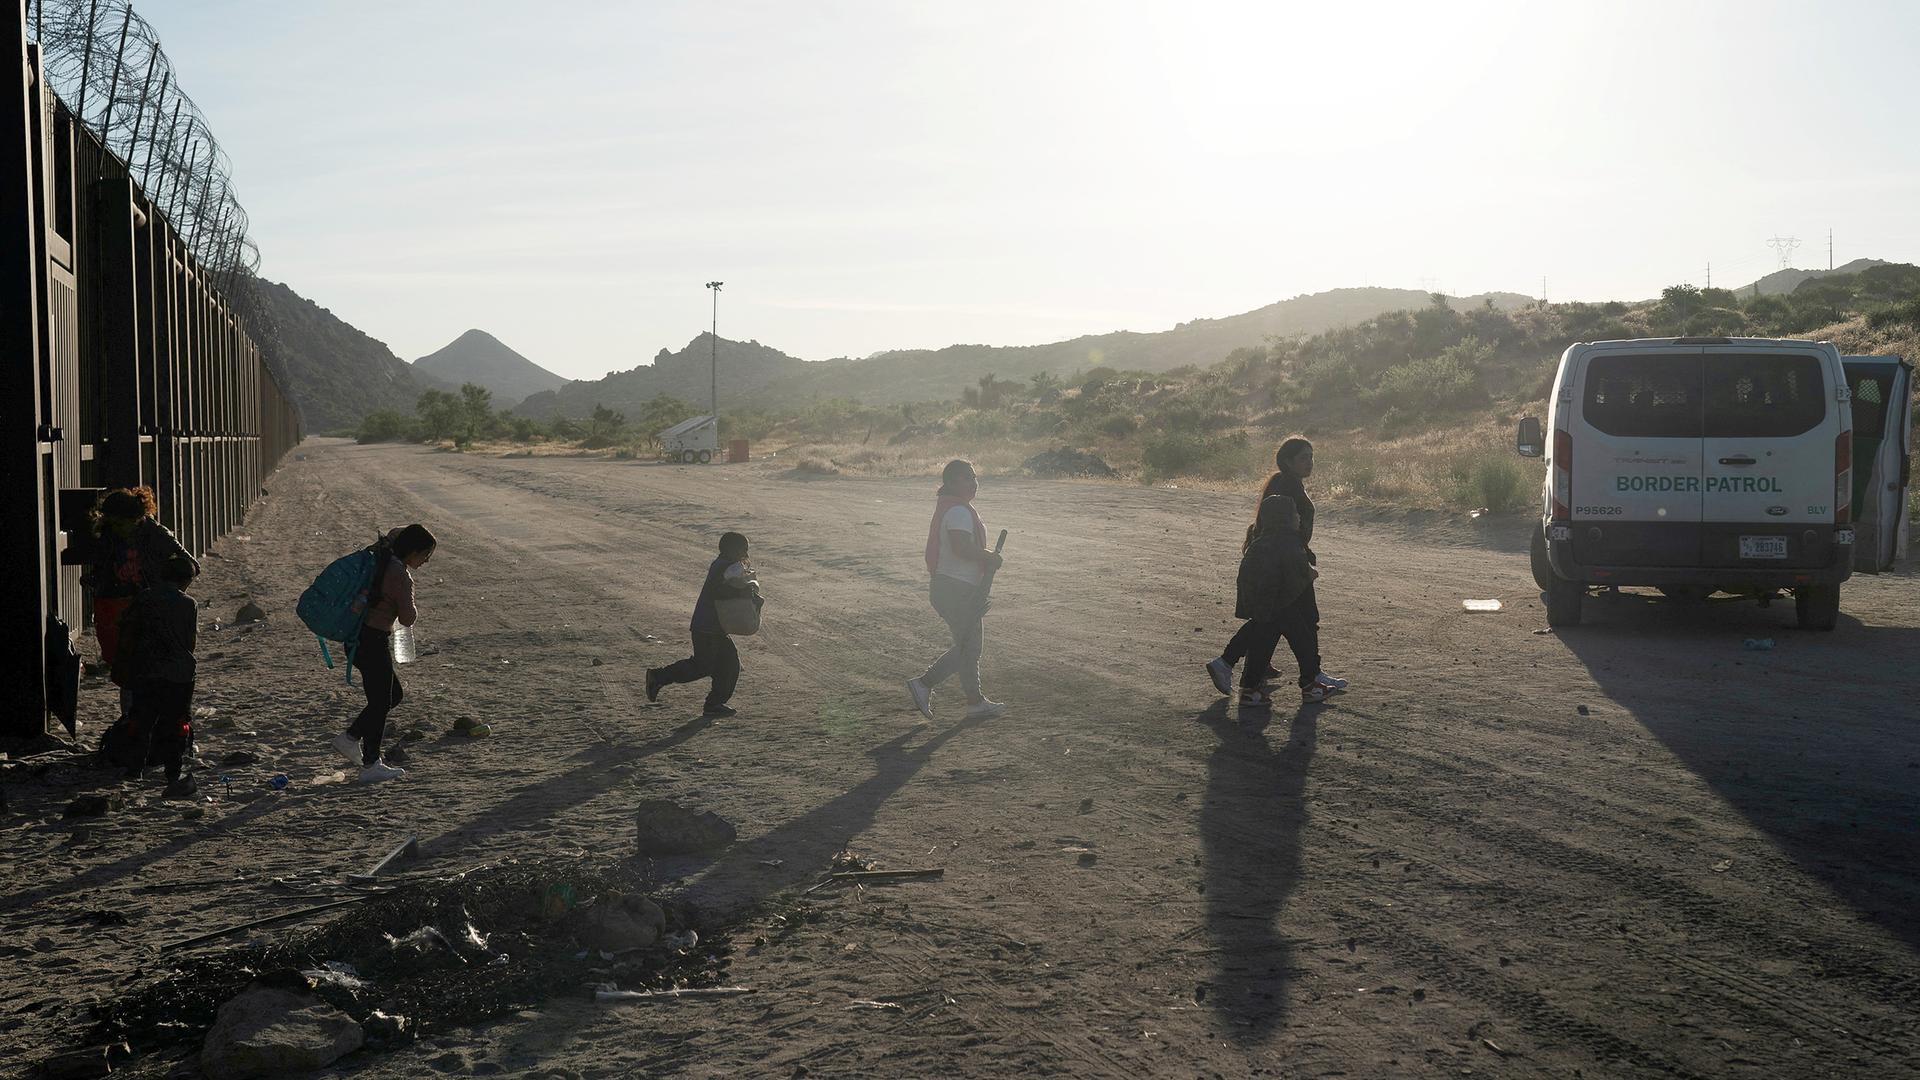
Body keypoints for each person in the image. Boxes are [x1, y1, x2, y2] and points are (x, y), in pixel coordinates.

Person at [1206, 437, 1347, 698]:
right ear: (1288, 462)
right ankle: (1306, 678)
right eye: (1304, 457)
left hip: (1286, 559)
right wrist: (1301, 566)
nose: (1310, 462)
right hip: (1285, 563)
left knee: (1277, 620)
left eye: (1311, 456)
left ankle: (1256, 675)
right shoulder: (1286, 486)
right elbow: (1279, 525)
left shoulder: (1288, 484)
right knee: (1284, 620)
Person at [331, 524, 435, 782]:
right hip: (373, 641)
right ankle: (369, 763)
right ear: (412, 552)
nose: (425, 561)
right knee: (381, 701)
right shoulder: (400, 575)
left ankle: (353, 738)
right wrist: (410, 599)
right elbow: (408, 618)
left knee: (391, 695)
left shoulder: (380, 558)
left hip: (358, 639)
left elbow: (393, 533)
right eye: (425, 555)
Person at [905, 460, 1006, 721]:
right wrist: (989, 557)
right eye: (965, 478)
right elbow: (962, 548)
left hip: (954, 587)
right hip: (954, 588)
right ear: (950, 483)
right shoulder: (959, 512)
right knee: (968, 647)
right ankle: (925, 684)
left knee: (968, 646)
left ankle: (974, 702)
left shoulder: (954, 509)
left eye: (974, 477)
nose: (973, 483)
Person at [109, 555, 200, 794]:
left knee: (142, 719)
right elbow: (190, 642)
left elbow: (128, 631)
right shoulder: (188, 604)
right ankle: (173, 772)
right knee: (176, 722)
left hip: (145, 670)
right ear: (186, 580)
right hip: (179, 673)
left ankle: (135, 767)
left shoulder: (144, 599)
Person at [646, 532, 760, 718]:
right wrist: (744, 591)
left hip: (714, 627)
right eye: (743, 548)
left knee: (729, 664)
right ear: (731, 549)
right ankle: (659, 677)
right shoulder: (724, 566)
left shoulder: (724, 565)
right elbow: (719, 591)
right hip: (707, 627)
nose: (745, 552)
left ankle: (714, 704)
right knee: (703, 665)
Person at [83, 486, 197, 672]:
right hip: (114, 601)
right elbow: (104, 566)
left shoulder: (156, 534)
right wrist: (93, 579)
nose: (116, 530)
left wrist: (169, 594)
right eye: (112, 524)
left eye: (120, 524)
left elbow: (191, 566)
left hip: (146, 602)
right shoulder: (109, 534)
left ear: (135, 519)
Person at [1233, 496, 1322, 706]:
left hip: (1266, 605)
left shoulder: (1261, 541)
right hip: (1281, 604)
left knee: (1263, 642)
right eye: (1295, 514)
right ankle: (1310, 686)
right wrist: (1310, 574)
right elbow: (1295, 574)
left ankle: (1249, 687)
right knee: (1304, 642)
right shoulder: (1287, 542)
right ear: (1286, 519)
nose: (1299, 517)